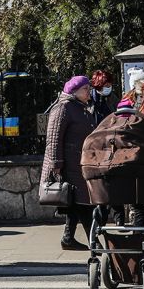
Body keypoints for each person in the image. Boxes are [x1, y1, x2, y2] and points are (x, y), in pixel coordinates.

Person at [42, 74, 101, 251]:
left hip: (78, 163)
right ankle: (94, 242)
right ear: (74, 91)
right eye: (85, 89)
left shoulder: (80, 107)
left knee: (75, 202)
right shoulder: (64, 107)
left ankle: (68, 238)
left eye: (89, 89)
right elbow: (53, 138)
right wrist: (56, 164)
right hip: (67, 165)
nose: (88, 92)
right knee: (82, 204)